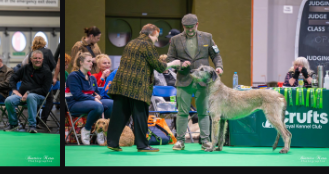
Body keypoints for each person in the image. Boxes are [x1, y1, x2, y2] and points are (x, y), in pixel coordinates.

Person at [107, 24, 182, 152]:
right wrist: (172, 64)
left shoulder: (131, 43)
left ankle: (112, 142)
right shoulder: (147, 45)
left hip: (121, 84)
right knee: (141, 115)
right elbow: (158, 66)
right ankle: (142, 145)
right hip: (138, 86)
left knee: (119, 114)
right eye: (157, 36)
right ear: (152, 33)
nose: (157, 40)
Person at [166, 14, 224, 151]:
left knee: (203, 112)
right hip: (183, 80)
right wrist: (180, 64)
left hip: (203, 81)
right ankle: (179, 141)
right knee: (182, 112)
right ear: (183, 26)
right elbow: (169, 59)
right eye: (187, 28)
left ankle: (205, 141)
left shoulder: (207, 37)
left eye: (192, 27)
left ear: (197, 24)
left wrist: (219, 66)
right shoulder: (175, 40)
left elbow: (216, 55)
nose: (190, 30)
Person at [67, 52, 115, 144]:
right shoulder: (73, 76)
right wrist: (93, 98)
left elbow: (96, 92)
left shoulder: (92, 78)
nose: (91, 63)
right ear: (81, 62)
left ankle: (102, 130)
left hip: (89, 102)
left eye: (91, 61)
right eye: (88, 61)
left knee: (112, 104)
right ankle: (87, 129)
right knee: (97, 106)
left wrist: (98, 96)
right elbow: (77, 95)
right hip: (75, 103)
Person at [3, 50, 53, 134]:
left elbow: (44, 90)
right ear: (31, 59)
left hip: (39, 97)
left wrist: (29, 92)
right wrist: (14, 90)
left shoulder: (47, 72)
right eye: (35, 58)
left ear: (42, 59)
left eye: (39, 58)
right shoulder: (26, 68)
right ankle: (13, 124)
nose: (37, 60)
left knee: (31, 96)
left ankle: (32, 125)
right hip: (22, 96)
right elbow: (13, 78)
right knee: (9, 100)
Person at [19, 36, 57, 128]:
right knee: (49, 99)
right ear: (44, 42)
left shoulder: (32, 53)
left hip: (34, 79)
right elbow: (53, 64)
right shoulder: (48, 51)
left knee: (33, 97)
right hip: (45, 78)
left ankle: (35, 120)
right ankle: (43, 121)